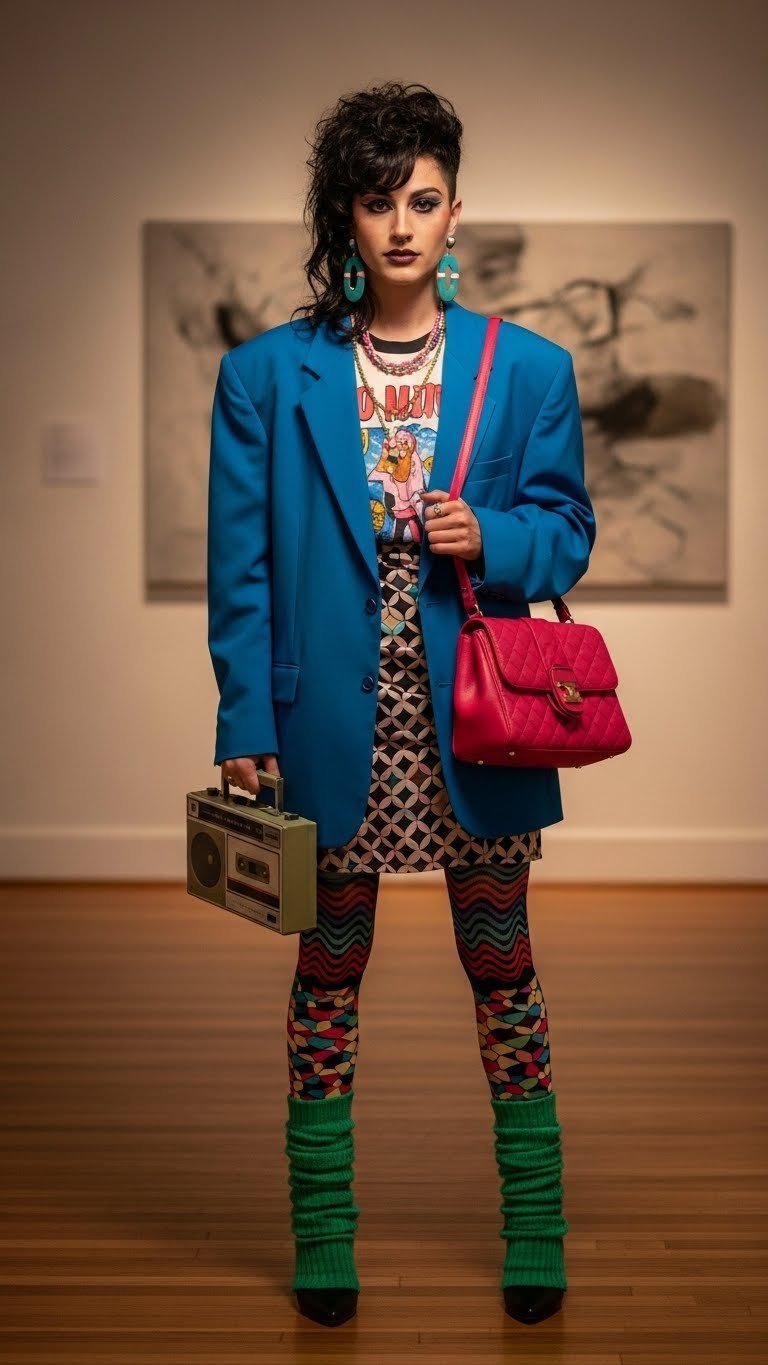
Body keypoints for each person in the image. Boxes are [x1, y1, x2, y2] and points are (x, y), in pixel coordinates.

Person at [206, 80, 596, 1330]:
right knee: (330, 974)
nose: (403, 225)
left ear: (455, 208)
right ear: (347, 216)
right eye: (378, 203)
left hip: (472, 725)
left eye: (423, 200)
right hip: (331, 729)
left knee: (504, 971)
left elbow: (568, 532)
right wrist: (244, 726)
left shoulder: (526, 370)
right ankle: (325, 1236)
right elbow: (244, 572)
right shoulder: (267, 376)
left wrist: (497, 538)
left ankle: (534, 1223)